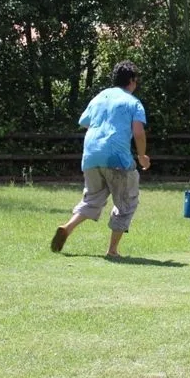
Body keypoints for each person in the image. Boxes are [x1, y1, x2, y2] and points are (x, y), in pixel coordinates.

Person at [51, 60, 150, 258]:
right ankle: (112, 250)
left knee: (92, 199)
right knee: (126, 201)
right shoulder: (133, 102)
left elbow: (84, 122)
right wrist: (142, 156)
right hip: (118, 158)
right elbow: (138, 132)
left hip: (91, 155)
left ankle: (68, 227)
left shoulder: (99, 97)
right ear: (131, 80)